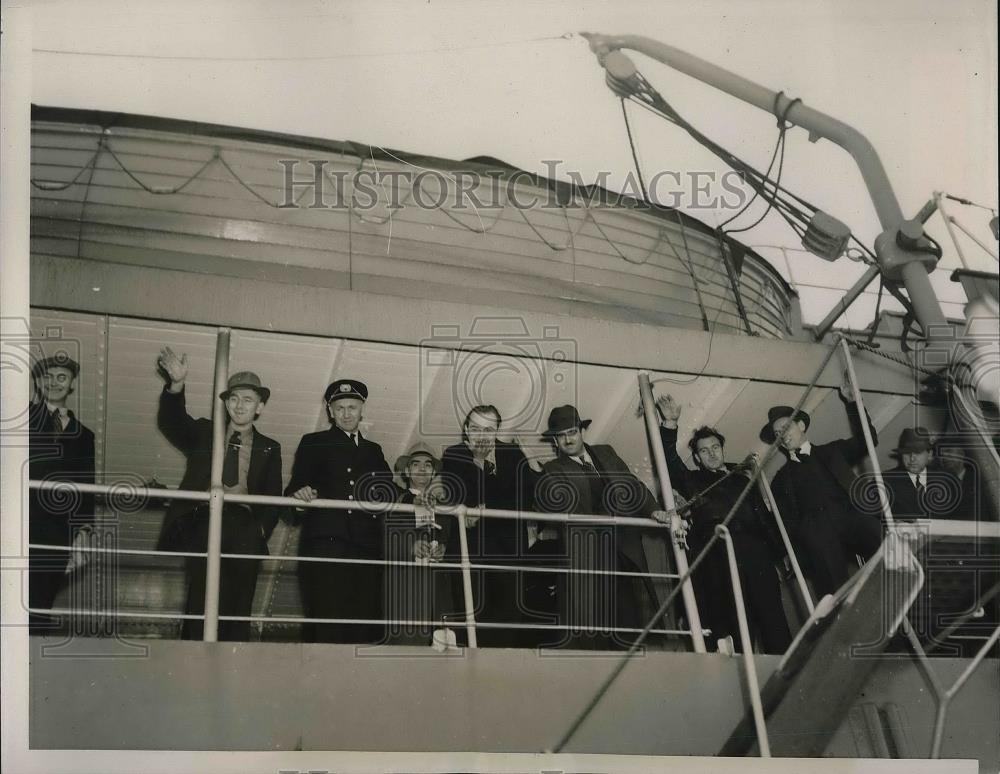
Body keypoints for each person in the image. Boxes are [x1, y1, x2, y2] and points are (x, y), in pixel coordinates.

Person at [156, 347, 282, 641]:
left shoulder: (269, 446)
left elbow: (273, 495)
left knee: (239, 603)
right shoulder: (204, 432)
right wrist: (176, 384)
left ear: (259, 407)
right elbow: (171, 423)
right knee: (201, 598)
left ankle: (232, 670)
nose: (239, 406)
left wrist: (260, 529)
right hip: (205, 518)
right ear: (226, 404)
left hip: (245, 526)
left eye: (248, 400)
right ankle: (194, 668)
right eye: (234, 399)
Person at [656, 394, 791, 654]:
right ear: (696, 458)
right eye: (703, 451)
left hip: (756, 552)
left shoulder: (743, 479)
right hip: (720, 553)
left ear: (723, 448)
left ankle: (785, 675)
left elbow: (763, 516)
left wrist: (780, 553)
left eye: (715, 447)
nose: (711, 454)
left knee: (773, 617)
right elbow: (670, 462)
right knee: (736, 622)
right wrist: (670, 425)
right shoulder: (693, 480)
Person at [536, 405, 669, 650]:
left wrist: (654, 510)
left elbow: (634, 486)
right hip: (588, 556)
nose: (568, 439)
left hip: (624, 550)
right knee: (595, 624)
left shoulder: (606, 452)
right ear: (554, 440)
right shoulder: (553, 470)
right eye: (561, 435)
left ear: (581, 431)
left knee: (630, 619)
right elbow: (554, 509)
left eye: (572, 431)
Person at [285, 379, 393, 644]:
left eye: (352, 407)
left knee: (366, 621)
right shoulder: (313, 442)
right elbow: (295, 487)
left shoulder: (374, 451)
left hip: (366, 548)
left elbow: (388, 491)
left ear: (362, 409)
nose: (346, 413)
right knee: (326, 619)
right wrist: (300, 497)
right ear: (330, 411)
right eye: (340, 407)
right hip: (325, 545)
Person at [762, 377, 883, 599]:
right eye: (777, 434)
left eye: (786, 427)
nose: (783, 435)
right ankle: (843, 618)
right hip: (817, 531)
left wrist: (854, 402)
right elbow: (788, 524)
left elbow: (868, 440)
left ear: (800, 425)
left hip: (848, 515)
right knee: (833, 585)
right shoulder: (780, 480)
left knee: (879, 534)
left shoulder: (833, 450)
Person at [439, 405, 541, 647]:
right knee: (469, 618)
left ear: (496, 431)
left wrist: (485, 506)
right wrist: (481, 466)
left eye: (488, 429)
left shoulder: (513, 454)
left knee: (508, 618)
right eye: (475, 428)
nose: (481, 435)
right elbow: (462, 495)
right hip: (470, 553)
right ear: (466, 430)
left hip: (508, 553)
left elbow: (527, 498)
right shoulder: (453, 454)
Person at [28, 355, 96, 633]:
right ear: (38, 383)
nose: (54, 383)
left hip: (59, 530)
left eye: (62, 377)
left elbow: (86, 486)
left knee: (43, 598)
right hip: (22, 522)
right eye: (48, 376)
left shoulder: (84, 434)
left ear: (71, 385)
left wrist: (84, 531)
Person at [384, 443, 454, 645]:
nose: (422, 469)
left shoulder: (444, 506)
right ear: (407, 471)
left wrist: (443, 549)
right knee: (409, 641)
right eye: (416, 464)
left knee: (442, 642)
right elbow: (384, 540)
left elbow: (449, 539)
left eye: (428, 465)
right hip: (407, 583)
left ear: (433, 471)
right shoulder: (396, 502)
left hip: (438, 586)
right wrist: (410, 547)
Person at [881, 428, 966, 522]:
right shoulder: (885, 480)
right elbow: (873, 519)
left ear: (929, 454)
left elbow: (964, 513)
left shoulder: (948, 479)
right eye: (907, 453)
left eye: (918, 452)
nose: (912, 459)